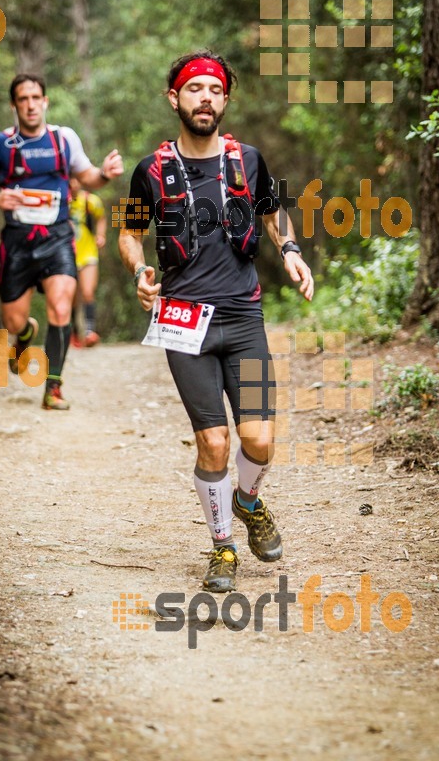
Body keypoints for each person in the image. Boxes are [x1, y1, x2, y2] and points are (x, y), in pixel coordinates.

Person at [118, 51, 314, 592]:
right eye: (194, 88)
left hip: (243, 316)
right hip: (185, 324)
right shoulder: (150, 172)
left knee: (260, 444)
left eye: (215, 89)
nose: (206, 97)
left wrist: (291, 250)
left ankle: (248, 501)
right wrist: (139, 270)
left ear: (225, 100)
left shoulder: (248, 160)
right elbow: (130, 234)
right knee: (214, 445)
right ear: (173, 98)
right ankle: (222, 548)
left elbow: (273, 211)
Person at [0, 74, 123, 409]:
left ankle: (53, 388)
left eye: (36, 97)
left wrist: (105, 173)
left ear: (46, 101)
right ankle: (24, 336)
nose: (30, 104)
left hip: (58, 236)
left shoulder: (64, 139)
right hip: (17, 241)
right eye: (23, 99)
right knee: (13, 321)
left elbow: (88, 176)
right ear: (14, 105)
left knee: (62, 307)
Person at [69, 176, 106, 348]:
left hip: (88, 252)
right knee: (72, 298)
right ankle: (75, 333)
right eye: (70, 181)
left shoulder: (91, 201)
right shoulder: (62, 202)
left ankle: (90, 332)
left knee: (88, 291)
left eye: (75, 180)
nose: (74, 184)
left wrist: (101, 235)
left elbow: (101, 217)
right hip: (67, 255)